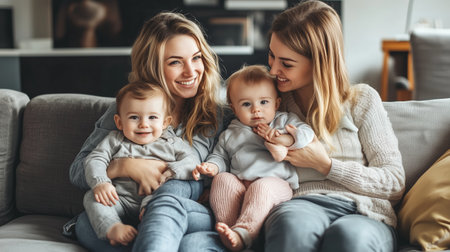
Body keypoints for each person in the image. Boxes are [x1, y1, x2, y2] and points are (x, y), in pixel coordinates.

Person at [68, 12, 232, 252]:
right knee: (86, 223)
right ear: (153, 66)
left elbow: (226, 170)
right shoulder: (128, 109)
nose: (191, 71)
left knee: (172, 202)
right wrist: (125, 167)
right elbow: (76, 172)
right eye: (175, 62)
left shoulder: (217, 113)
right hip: (124, 210)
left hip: (182, 208)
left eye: (196, 58)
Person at [262, 1, 405, 252]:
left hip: (365, 212)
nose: (273, 70)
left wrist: (326, 165)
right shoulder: (271, 104)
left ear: (318, 62)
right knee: (293, 227)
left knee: (350, 238)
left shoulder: (361, 100)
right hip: (302, 204)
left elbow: (393, 183)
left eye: (286, 63)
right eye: (272, 55)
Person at [192, 65, 315, 251]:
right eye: (246, 104)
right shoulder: (230, 133)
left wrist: (284, 138)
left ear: (277, 103)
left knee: (261, 186)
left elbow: (307, 134)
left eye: (264, 102)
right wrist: (212, 167)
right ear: (234, 108)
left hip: (277, 185)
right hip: (241, 187)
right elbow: (220, 156)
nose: (256, 110)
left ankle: (245, 231)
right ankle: (229, 228)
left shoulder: (282, 121)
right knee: (222, 179)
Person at [83, 81, 199, 246]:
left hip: (153, 199)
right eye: (134, 117)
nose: (143, 124)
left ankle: (150, 235)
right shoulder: (114, 140)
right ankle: (112, 227)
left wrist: (172, 171)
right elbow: (95, 159)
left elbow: (193, 161)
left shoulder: (172, 142)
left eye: (152, 117)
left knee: (164, 203)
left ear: (165, 122)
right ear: (119, 122)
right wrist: (100, 183)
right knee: (91, 198)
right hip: (118, 198)